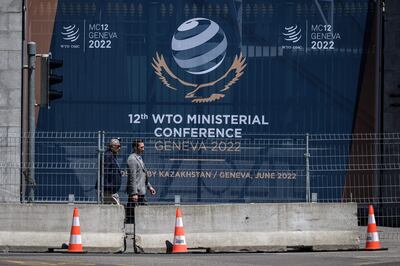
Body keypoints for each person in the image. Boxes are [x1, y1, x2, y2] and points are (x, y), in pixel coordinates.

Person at [126, 139, 156, 223]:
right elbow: (132, 177)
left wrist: (149, 187)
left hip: (141, 191)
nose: (143, 149)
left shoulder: (139, 158)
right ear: (135, 147)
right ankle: (130, 231)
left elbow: (142, 175)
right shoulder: (132, 159)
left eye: (143, 147)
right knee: (133, 215)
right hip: (136, 192)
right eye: (141, 147)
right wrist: (134, 193)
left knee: (135, 213)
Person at [98, 138, 123, 205]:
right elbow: (105, 172)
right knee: (115, 210)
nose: (120, 148)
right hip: (108, 190)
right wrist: (108, 188)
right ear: (113, 146)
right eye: (118, 146)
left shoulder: (111, 155)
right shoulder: (108, 156)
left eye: (120, 146)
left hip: (110, 190)